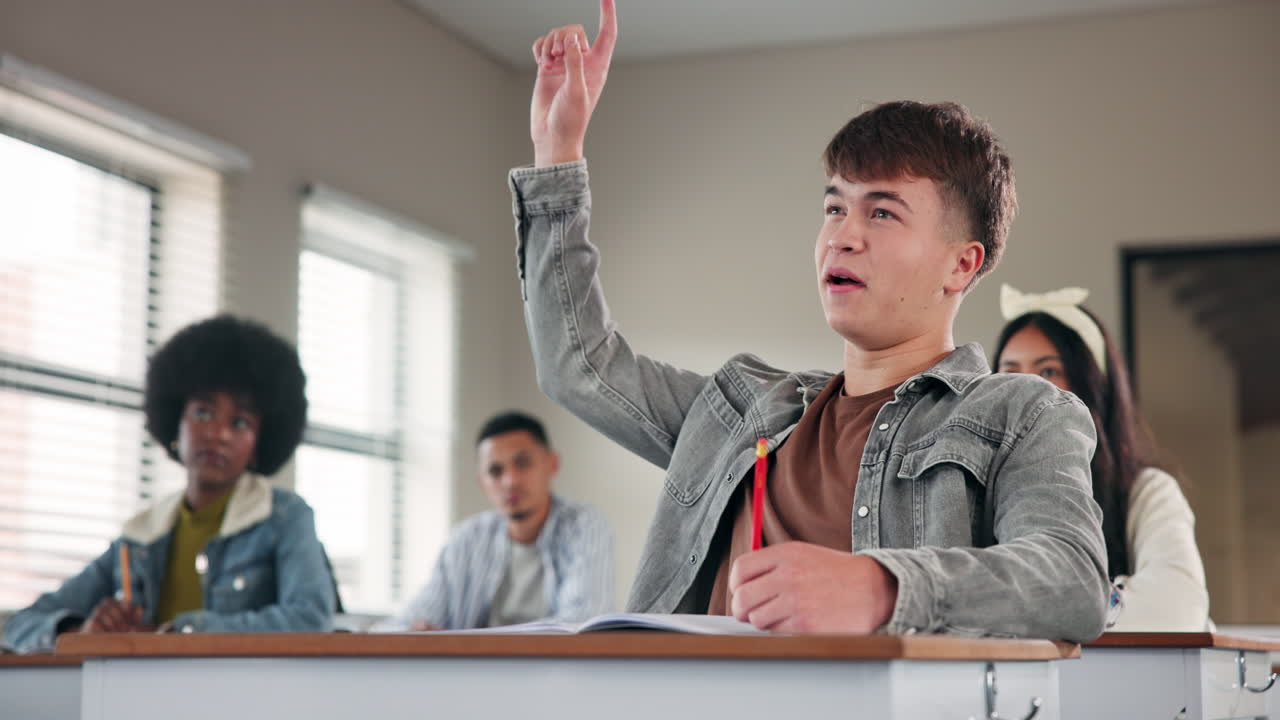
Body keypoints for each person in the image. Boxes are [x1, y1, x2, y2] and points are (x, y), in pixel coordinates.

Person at [509, 0, 1109, 640]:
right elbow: (577, 364)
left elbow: (1072, 582)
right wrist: (558, 154)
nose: (841, 238)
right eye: (833, 209)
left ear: (961, 265)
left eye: (882, 213)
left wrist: (884, 588)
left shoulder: (1023, 414)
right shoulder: (740, 410)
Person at [3, 315, 334, 652]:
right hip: (142, 697)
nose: (217, 433)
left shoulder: (284, 519)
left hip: (245, 697)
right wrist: (80, 631)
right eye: (203, 412)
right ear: (176, 422)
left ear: (259, 443)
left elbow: (311, 620)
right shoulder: (139, 537)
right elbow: (20, 626)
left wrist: (179, 634)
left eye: (239, 422)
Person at [995, 284, 1209, 631]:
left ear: (1091, 385)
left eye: (1048, 371)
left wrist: (1064, 601)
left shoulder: (1146, 491)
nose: (1028, 389)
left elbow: (1177, 609)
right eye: (1010, 372)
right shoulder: (977, 487)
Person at [378, 412, 613, 630]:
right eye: (495, 471)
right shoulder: (467, 539)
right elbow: (411, 620)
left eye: (522, 463)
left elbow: (580, 626)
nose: (510, 481)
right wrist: (412, 631)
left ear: (552, 464)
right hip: (474, 672)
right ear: (482, 482)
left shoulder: (585, 526)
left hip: (557, 672)